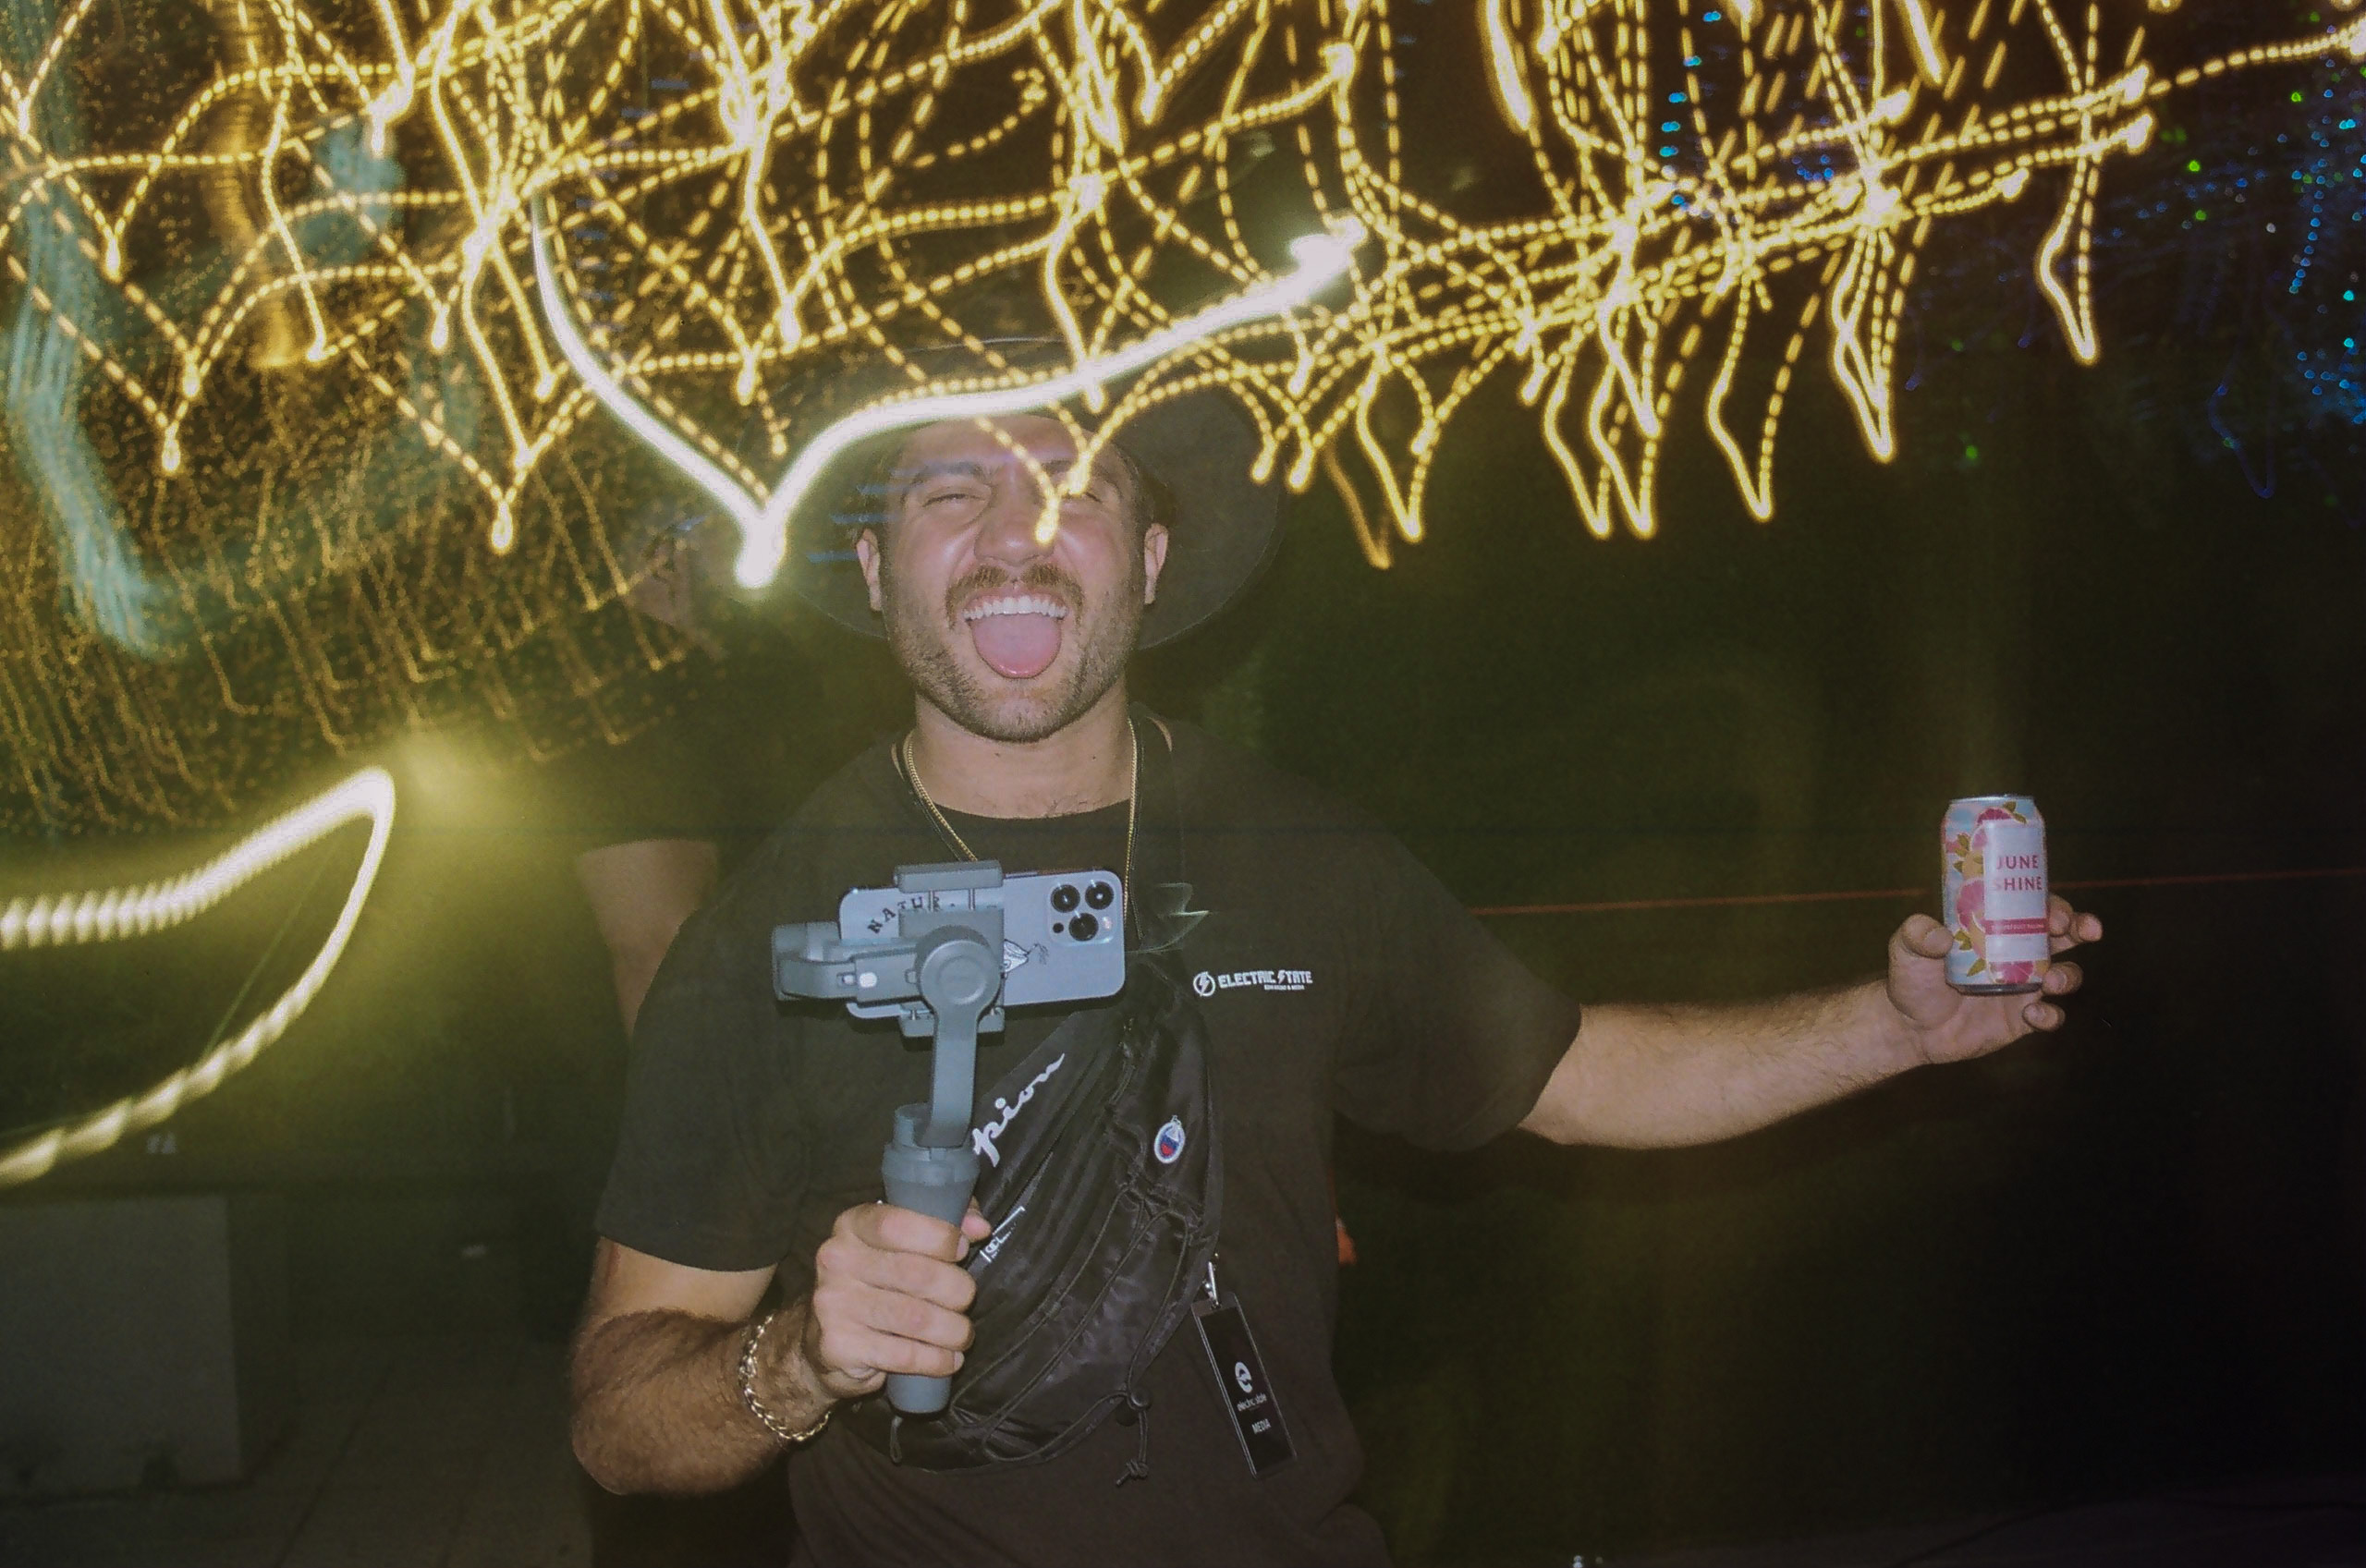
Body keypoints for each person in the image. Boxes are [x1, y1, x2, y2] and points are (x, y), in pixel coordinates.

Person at [567, 375, 2102, 1566]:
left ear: (1152, 556)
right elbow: (618, 1415)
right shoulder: (771, 931)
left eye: (1073, 485)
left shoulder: (1295, 851)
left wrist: (1895, 1026)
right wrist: (801, 1357)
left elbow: (1573, 1077)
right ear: (878, 566)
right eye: (950, 488)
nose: (1014, 534)